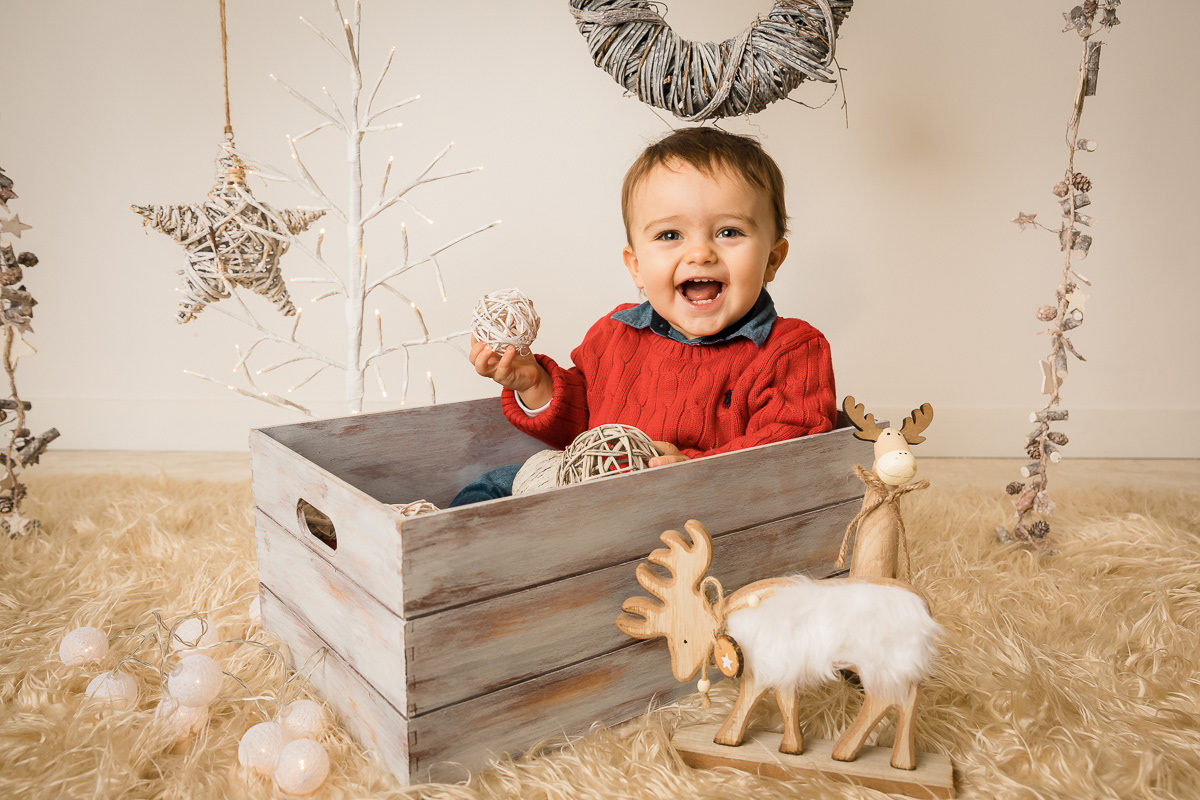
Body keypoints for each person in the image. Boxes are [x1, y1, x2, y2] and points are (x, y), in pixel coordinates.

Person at [452, 127, 837, 506]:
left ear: (772, 259)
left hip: (695, 512)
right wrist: (534, 383)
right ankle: (442, 545)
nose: (700, 254)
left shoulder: (790, 351)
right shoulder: (615, 334)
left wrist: (693, 467)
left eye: (728, 232)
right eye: (670, 235)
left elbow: (792, 446)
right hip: (590, 492)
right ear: (636, 266)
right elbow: (578, 425)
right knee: (496, 484)